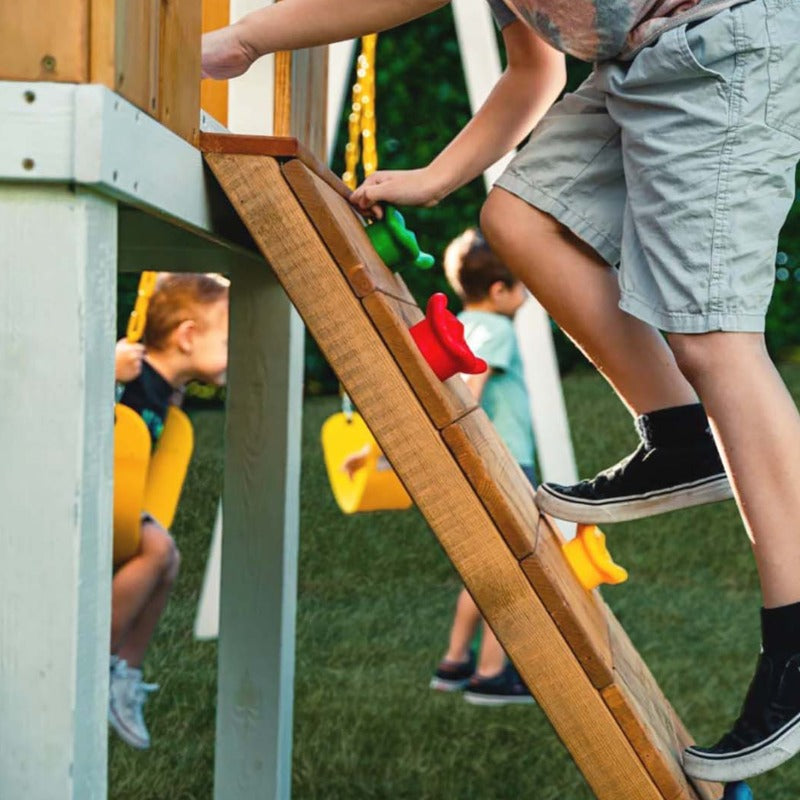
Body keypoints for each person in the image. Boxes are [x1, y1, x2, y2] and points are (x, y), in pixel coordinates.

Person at [201, 0, 800, 781]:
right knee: (518, 219)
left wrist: (245, 38)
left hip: (719, 48)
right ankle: (681, 436)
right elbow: (533, 71)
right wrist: (437, 178)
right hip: (635, 68)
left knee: (715, 339)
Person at [111, 273, 229, 749]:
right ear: (186, 336)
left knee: (169, 557)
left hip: (124, 504)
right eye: (228, 337)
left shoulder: (167, 390)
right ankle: (92, 658)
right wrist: (106, 364)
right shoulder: (132, 371)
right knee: (159, 548)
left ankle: (125, 675)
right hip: (83, 500)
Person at [430, 228, 536, 706]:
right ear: (499, 290)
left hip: (481, 464)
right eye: (523, 284)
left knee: (484, 569)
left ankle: (455, 661)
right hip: (506, 462)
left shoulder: (460, 324)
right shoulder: (497, 329)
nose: (528, 293)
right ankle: (491, 673)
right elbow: (475, 383)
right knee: (516, 571)